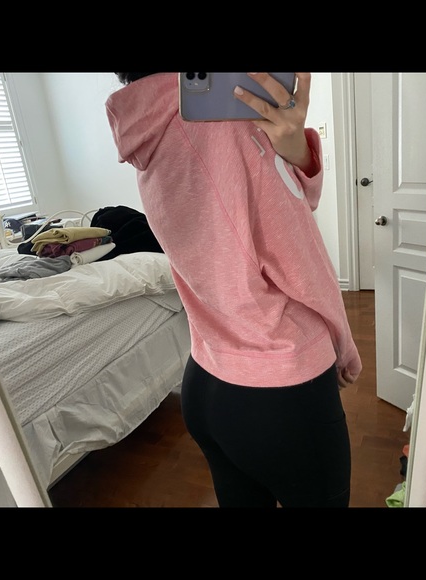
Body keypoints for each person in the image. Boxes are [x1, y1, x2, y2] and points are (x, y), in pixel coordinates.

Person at [106, 72, 362, 507]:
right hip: (279, 394)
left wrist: (296, 151)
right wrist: (345, 350)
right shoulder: (226, 124)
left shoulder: (151, 122)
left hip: (207, 378)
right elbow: (302, 264)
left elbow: (259, 222)